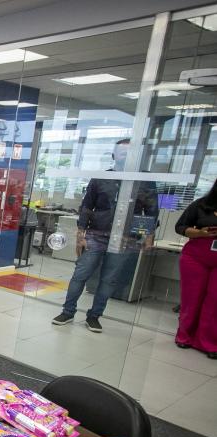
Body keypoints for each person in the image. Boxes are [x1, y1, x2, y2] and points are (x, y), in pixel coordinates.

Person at [52, 139, 159, 332]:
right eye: (123, 153)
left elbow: (152, 210)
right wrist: (80, 233)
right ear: (114, 156)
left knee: (109, 279)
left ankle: (94, 316)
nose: (126, 157)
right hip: (96, 234)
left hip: (125, 238)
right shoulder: (101, 178)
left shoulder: (144, 181)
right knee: (80, 275)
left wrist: (149, 234)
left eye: (131, 153)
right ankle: (68, 312)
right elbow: (87, 206)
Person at [174, 180, 217, 358]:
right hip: (196, 257)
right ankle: (184, 336)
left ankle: (208, 342)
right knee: (192, 298)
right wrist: (200, 233)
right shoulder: (201, 205)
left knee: (214, 301)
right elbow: (180, 227)